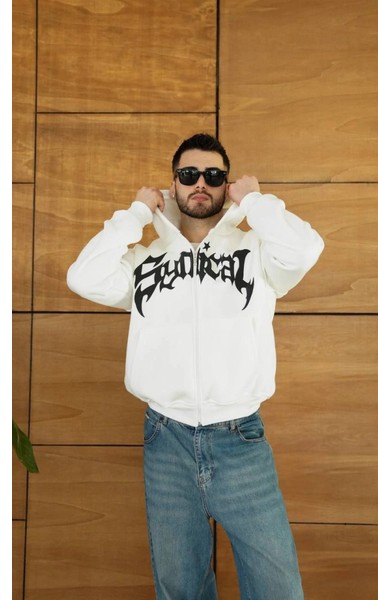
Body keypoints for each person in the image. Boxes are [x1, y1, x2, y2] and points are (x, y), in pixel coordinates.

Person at [67, 133, 324, 599]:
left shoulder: (258, 254)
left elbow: (305, 250)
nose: (200, 183)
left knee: (278, 588)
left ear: (227, 185)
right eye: (189, 175)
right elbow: (82, 276)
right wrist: (136, 214)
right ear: (174, 185)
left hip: (240, 439)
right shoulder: (144, 263)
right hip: (166, 439)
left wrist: (256, 201)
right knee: (180, 587)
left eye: (214, 175)